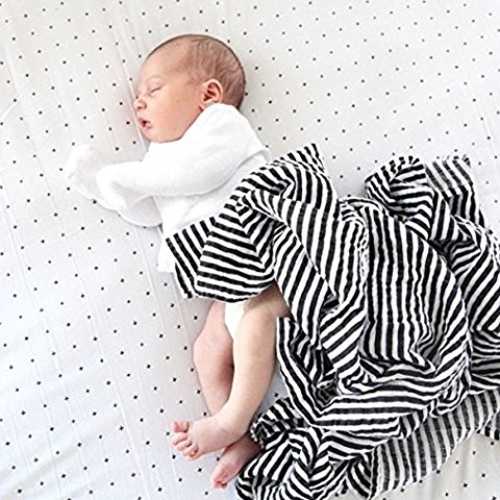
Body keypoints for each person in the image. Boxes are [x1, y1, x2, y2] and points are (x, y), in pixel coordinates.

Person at [64, 33, 291, 490]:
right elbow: (154, 210)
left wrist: (113, 177)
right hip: (235, 279)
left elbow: (188, 176)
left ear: (208, 94)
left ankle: (231, 419)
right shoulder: (164, 160)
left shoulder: (222, 125)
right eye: (138, 95)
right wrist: (106, 188)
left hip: (273, 257)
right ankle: (239, 437)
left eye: (153, 89)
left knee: (257, 322)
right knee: (207, 348)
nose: (139, 103)